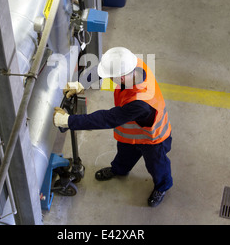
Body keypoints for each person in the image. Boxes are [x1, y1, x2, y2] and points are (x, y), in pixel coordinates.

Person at [53, 47, 173, 207]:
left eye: (111, 77)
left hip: (152, 138)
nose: (108, 78)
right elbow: (100, 70)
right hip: (131, 132)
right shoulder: (133, 65)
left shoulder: (141, 102)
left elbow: (107, 118)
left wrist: (69, 121)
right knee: (124, 155)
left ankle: (162, 187)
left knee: (157, 166)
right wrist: (80, 83)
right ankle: (119, 170)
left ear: (122, 77)